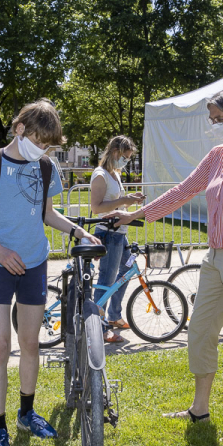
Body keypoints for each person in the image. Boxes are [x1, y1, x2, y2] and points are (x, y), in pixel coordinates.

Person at [114, 86, 223, 440]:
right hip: (215, 258)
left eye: (217, 118)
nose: (212, 124)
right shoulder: (216, 155)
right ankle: (199, 410)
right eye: (210, 118)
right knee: (199, 331)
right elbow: (183, 190)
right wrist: (136, 216)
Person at [0, 99, 103, 446]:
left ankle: (26, 413)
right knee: (1, 347)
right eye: (39, 141)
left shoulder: (45, 166)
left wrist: (77, 230)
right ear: (19, 129)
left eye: (49, 145)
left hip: (35, 263)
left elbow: (47, 214)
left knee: (29, 344)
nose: (43, 150)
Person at [89, 135, 145, 343]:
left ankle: (114, 315)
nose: (126, 161)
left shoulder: (115, 174)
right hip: (109, 234)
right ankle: (99, 326)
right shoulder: (100, 175)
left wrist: (130, 201)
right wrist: (123, 199)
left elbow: (116, 206)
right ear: (114, 152)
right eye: (125, 157)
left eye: (129, 158)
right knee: (106, 280)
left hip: (120, 233)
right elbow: (97, 208)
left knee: (127, 270)